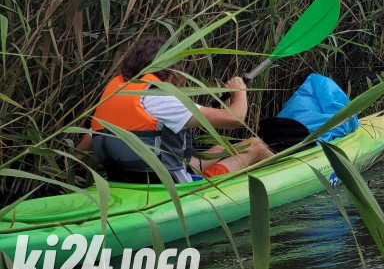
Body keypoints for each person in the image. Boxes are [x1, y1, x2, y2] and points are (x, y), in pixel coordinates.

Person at [76, 37, 273, 183]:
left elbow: (84, 147)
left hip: (124, 182)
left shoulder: (115, 93)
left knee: (221, 148)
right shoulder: (160, 98)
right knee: (255, 146)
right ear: (169, 68)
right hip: (172, 187)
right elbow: (235, 118)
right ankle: (294, 178)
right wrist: (240, 91)